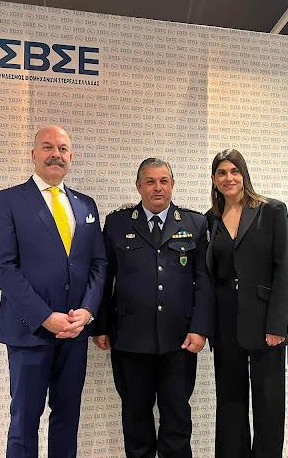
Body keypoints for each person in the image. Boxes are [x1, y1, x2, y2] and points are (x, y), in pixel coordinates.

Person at [0, 125, 107, 458]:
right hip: (29, 331)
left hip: (74, 332)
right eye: (48, 147)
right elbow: (3, 267)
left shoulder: (86, 205)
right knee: (24, 421)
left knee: (68, 419)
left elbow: (99, 264)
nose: (56, 155)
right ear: (34, 154)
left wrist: (88, 311)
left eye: (63, 149)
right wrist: (44, 316)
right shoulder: (8, 201)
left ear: (71, 156)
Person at [93, 158, 214, 458]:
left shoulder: (195, 224)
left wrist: (200, 328)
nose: (157, 188)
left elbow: (204, 280)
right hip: (130, 340)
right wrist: (101, 327)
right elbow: (104, 277)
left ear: (173, 185)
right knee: (136, 419)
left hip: (179, 340)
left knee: (177, 418)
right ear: (138, 186)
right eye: (150, 181)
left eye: (163, 181)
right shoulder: (118, 223)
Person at [206, 149, 288, 458]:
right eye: (221, 173)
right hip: (224, 319)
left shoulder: (272, 211)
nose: (228, 178)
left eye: (234, 171)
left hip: (264, 319)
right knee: (230, 399)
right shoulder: (209, 219)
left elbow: (283, 270)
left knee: (269, 400)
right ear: (214, 179)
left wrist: (277, 325)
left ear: (244, 175)